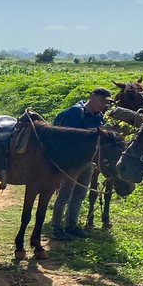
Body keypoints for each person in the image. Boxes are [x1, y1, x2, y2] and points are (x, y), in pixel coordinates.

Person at [50, 87, 113, 240]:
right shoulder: (75, 112)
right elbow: (70, 134)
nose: (103, 105)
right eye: (101, 101)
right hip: (72, 161)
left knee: (79, 195)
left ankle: (71, 225)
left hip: (88, 161)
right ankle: (57, 227)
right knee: (65, 194)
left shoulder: (99, 116)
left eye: (106, 103)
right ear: (92, 96)